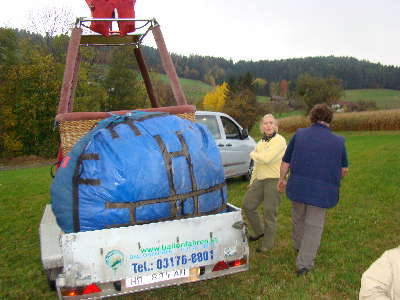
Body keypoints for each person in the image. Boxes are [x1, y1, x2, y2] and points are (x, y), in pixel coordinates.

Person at [277, 104, 349, 275]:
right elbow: (343, 170)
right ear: (329, 120)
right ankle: (304, 263)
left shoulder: (299, 134)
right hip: (322, 191)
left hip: (298, 187)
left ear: (312, 117)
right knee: (314, 226)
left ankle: (299, 247)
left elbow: (285, 161)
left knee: (298, 218)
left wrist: (281, 179)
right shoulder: (339, 141)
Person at [242, 114, 287, 253]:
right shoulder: (261, 142)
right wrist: (252, 181)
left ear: (276, 126)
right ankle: (259, 231)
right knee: (247, 205)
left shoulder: (279, 141)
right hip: (260, 180)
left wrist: (253, 154)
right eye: (265, 123)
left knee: (269, 212)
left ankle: (267, 244)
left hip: (274, 179)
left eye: (271, 123)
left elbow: (266, 159)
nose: (268, 125)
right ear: (262, 127)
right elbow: (257, 165)